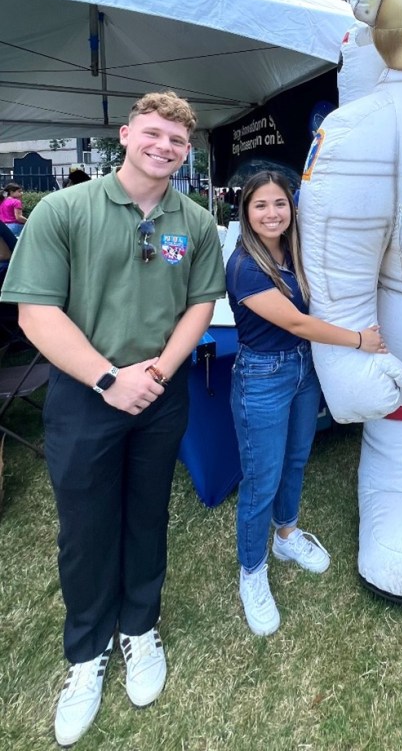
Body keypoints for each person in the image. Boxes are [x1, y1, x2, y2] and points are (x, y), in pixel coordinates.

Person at [0, 91, 226, 746]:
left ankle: (139, 625)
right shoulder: (66, 209)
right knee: (86, 527)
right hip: (84, 392)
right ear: (125, 135)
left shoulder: (196, 221)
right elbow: (35, 313)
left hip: (159, 394)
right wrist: (107, 377)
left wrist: (152, 375)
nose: (164, 147)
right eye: (153, 133)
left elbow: (199, 305)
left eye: (178, 141)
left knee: (147, 512)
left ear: (187, 151)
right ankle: (86, 651)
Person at [226, 170, 387, 636]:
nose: (272, 213)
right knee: (261, 480)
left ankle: (287, 535)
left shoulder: (296, 254)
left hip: (303, 371)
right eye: (261, 205)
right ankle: (252, 573)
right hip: (263, 376)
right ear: (246, 212)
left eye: (280, 203)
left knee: (296, 460)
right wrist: (359, 340)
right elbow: (298, 323)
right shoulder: (245, 266)